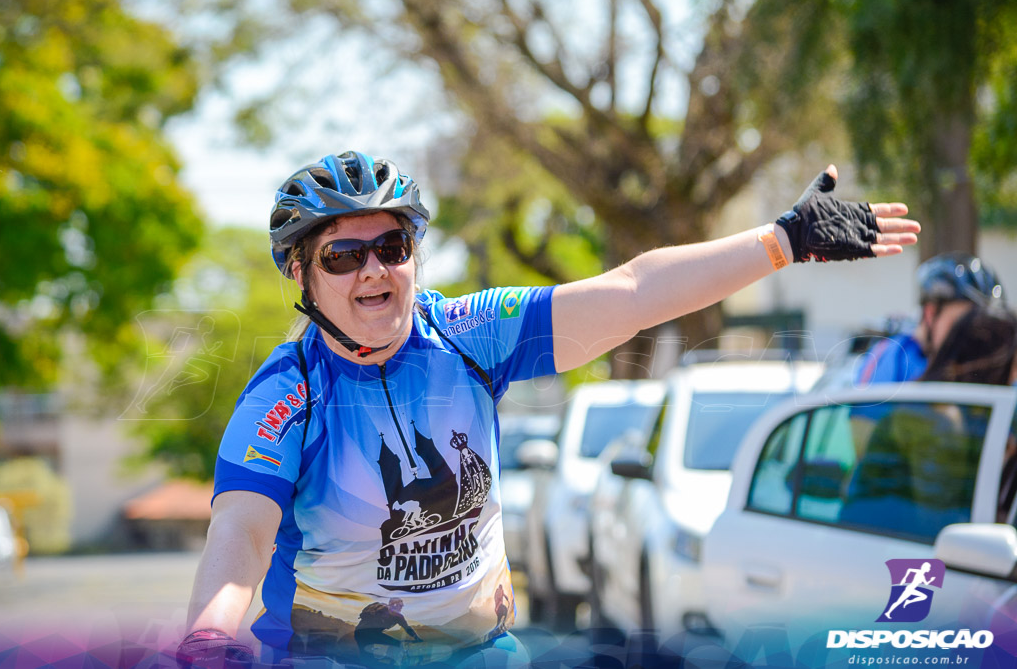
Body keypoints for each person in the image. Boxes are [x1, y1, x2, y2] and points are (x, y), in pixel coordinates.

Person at [175, 152, 917, 667]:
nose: (374, 269)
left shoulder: (467, 335)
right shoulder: (287, 394)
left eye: (392, 245)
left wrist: (779, 242)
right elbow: (241, 536)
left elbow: (634, 292)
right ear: (301, 273)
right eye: (343, 255)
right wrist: (209, 637)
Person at [856, 252, 1006, 385]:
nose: (974, 334)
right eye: (962, 322)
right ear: (930, 314)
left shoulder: (992, 363)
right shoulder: (893, 360)